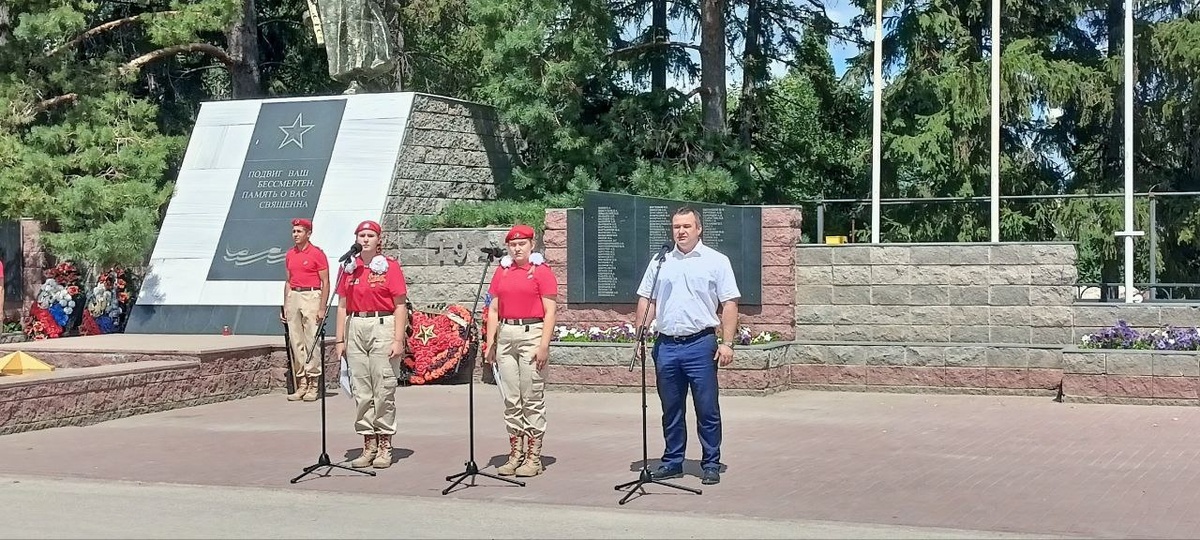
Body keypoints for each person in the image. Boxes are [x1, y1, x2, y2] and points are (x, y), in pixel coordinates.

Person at [634, 206, 740, 486]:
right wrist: (640, 332)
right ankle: (672, 461)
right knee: (671, 408)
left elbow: (729, 303)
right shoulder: (661, 262)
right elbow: (647, 299)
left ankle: (711, 462)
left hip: (700, 344)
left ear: (699, 229)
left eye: (686, 226)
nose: (680, 232)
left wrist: (727, 343)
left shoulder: (716, 261)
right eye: (676, 227)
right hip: (666, 345)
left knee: (706, 407)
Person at [483, 224, 558, 477]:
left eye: (522, 243)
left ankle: (533, 456)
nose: (517, 248)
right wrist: (490, 342)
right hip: (506, 335)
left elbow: (550, 311)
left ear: (531, 245)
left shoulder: (541, 271)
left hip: (531, 333)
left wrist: (544, 345)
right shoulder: (502, 272)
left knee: (532, 397)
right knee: (511, 398)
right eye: (513, 244)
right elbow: (493, 309)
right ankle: (515, 452)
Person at [333, 220, 409, 469]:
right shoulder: (349, 267)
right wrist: (340, 339)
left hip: (382, 325)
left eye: (370, 235)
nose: (365, 239)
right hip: (355, 326)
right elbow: (342, 305)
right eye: (361, 235)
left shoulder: (389, 267)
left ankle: (385, 444)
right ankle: (369, 444)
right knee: (362, 390)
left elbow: (400, 304)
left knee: (383, 388)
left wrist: (398, 339)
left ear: (379, 240)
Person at [281, 218, 330, 402]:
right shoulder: (290, 254)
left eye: (299, 231)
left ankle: (313, 384)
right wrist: (285, 304)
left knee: (311, 340)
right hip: (295, 294)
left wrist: (322, 306)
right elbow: (288, 280)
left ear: (308, 233)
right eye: (294, 231)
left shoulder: (317, 254)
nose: (295, 235)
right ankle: (301, 383)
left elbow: (325, 281)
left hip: (312, 295)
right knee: (296, 340)